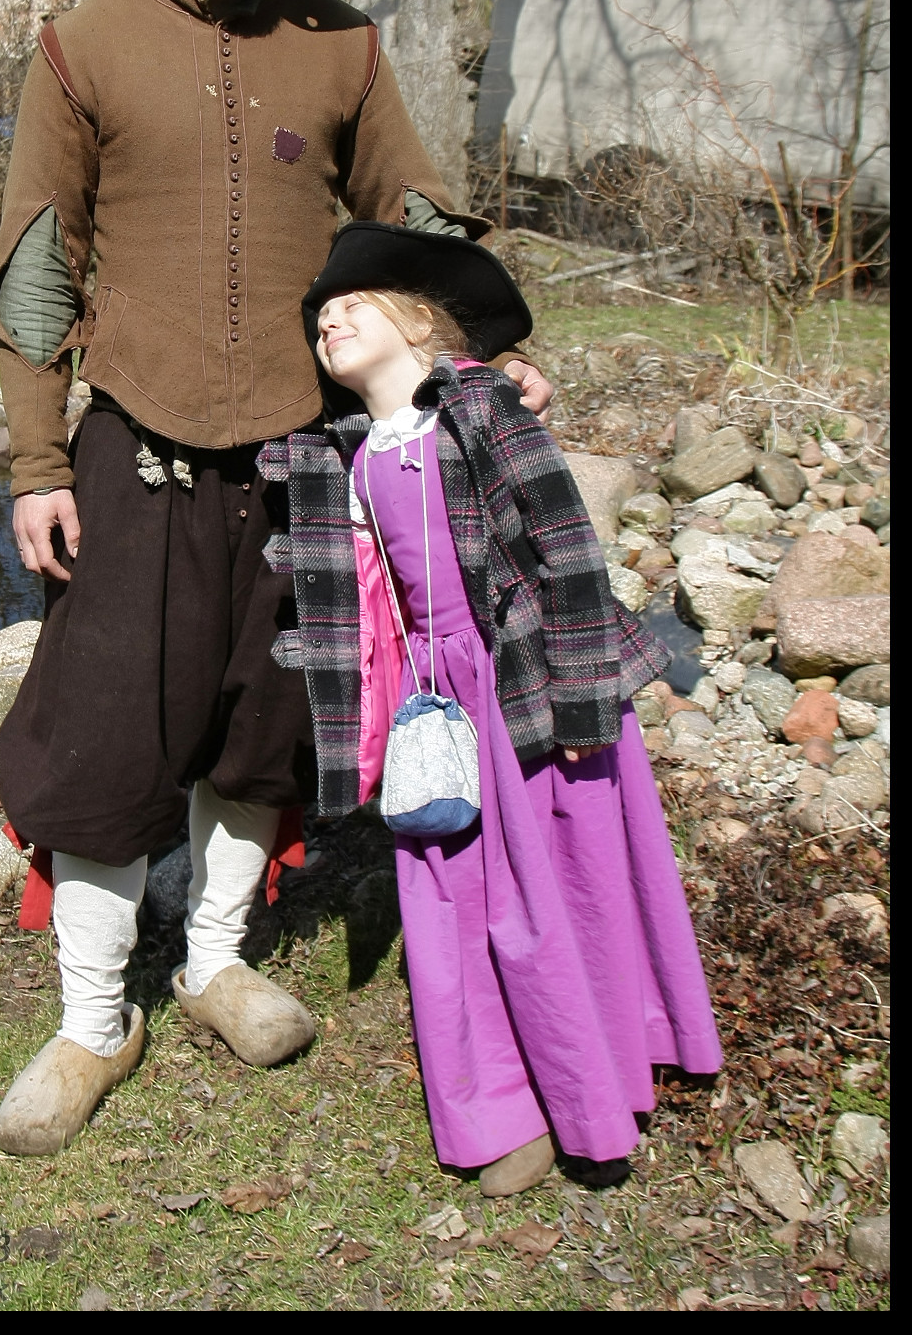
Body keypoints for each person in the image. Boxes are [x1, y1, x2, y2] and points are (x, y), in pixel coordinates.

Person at [0, 0, 556, 1158]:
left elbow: (412, 221)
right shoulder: (82, 47)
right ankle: (92, 1021)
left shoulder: (342, 48)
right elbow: (38, 265)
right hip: (136, 448)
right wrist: (38, 465)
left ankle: (217, 964)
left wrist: (480, 361)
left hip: (306, 458)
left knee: (264, 732)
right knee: (107, 735)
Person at [257, 221, 722, 1196]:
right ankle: (500, 1106)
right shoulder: (335, 459)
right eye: (319, 317)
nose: (328, 320)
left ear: (419, 322)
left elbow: (565, 545)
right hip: (435, 703)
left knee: (564, 887)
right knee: (447, 894)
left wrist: (583, 693)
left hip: (529, 681)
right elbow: (356, 609)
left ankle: (595, 1092)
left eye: (352, 303)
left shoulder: (477, 407)